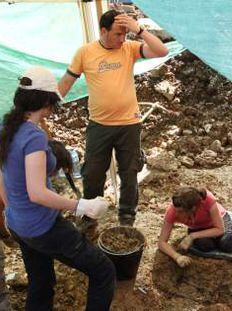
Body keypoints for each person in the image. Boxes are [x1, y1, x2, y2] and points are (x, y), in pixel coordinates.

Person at [0, 66, 116, 310]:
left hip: (19, 224)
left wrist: (11, 209)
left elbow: (2, 173)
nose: (53, 107)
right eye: (52, 101)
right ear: (45, 100)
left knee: (40, 283)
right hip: (42, 227)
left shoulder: (7, 126)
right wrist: (81, 205)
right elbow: (37, 193)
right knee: (103, 271)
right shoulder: (33, 137)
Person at [58, 10, 168, 226]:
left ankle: (127, 218)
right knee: (93, 173)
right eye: (118, 34)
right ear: (103, 31)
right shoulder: (85, 53)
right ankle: (90, 216)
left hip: (129, 124)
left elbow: (162, 50)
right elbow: (66, 82)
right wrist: (45, 107)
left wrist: (139, 30)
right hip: (99, 125)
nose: (122, 39)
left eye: (125, 34)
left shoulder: (129, 49)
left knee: (129, 173)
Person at [158, 187, 232, 268]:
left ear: (193, 208)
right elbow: (162, 242)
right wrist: (177, 256)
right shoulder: (172, 211)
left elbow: (219, 229)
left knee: (227, 243)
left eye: (181, 212)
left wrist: (192, 236)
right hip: (198, 227)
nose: (176, 213)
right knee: (205, 245)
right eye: (176, 210)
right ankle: (217, 242)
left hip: (220, 221)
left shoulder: (208, 200)